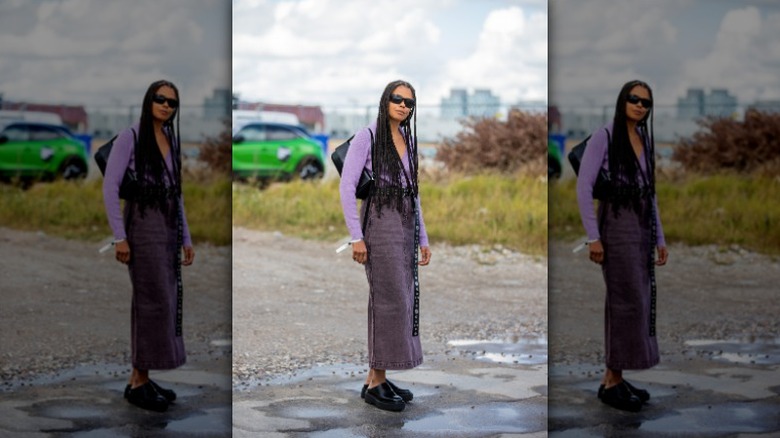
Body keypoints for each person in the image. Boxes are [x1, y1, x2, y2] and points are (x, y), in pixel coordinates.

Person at [339, 80, 432, 412]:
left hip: (405, 224)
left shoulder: (407, 137)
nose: (403, 105)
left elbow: (414, 191)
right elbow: (347, 187)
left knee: (401, 298)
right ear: (385, 100)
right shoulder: (368, 135)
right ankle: (377, 381)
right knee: (388, 299)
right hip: (378, 222)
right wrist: (356, 236)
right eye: (397, 99)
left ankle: (375, 377)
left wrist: (423, 237)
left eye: (409, 102)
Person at [576, 79, 669, 412]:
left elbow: (650, 191)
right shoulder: (605, 136)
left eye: (646, 102)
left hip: (642, 226)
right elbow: (584, 187)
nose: (640, 106)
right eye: (634, 99)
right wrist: (593, 237)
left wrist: (659, 237)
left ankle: (612, 378)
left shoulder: (643, 138)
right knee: (624, 301)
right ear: (622, 101)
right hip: (615, 226)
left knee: (638, 300)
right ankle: (613, 381)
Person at [103, 79, 195, 412]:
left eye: (172, 102)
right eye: (160, 99)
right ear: (148, 101)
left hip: (168, 226)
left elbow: (177, 191)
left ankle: (139, 377)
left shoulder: (169, 137)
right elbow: (110, 188)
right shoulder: (131, 137)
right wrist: (120, 236)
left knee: (164, 301)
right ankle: (139, 382)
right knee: (149, 301)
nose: (166, 106)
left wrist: (186, 237)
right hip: (141, 226)